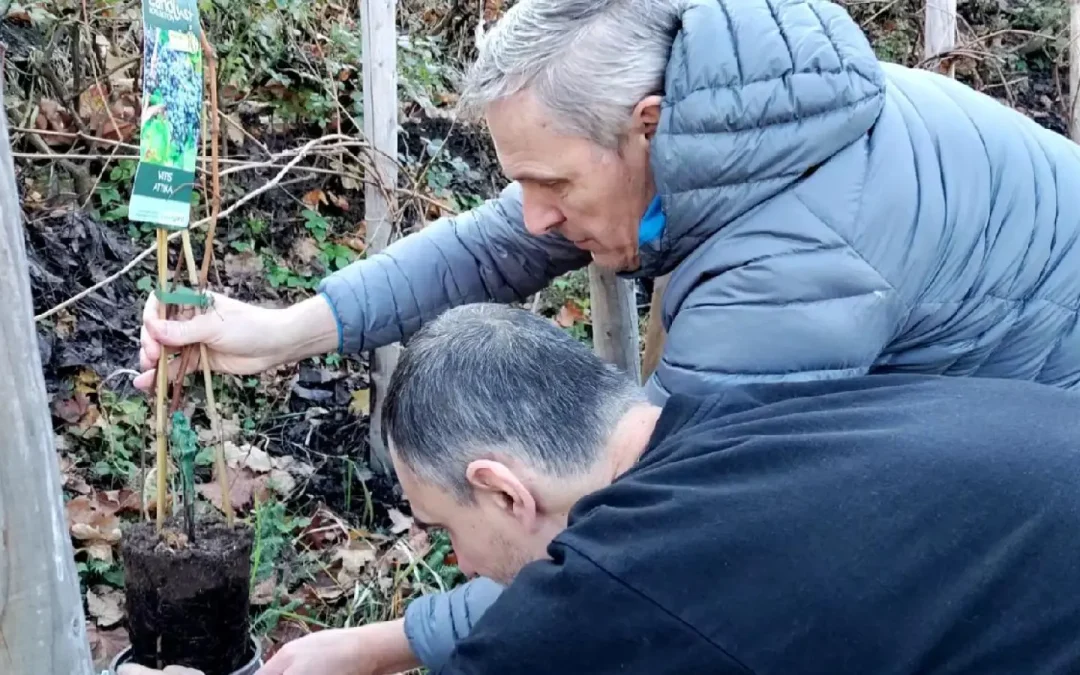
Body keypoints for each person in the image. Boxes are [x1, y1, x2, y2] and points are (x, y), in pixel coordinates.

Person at [134, 0, 1080, 669]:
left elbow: (661, 552)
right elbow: (497, 238)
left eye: (554, 185)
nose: (534, 216)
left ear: (646, 126)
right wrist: (280, 329)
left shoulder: (791, 267)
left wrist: (385, 645)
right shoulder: (745, 114)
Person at [134, 303, 1080, 675]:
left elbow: (586, 613)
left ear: (502, 490)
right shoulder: (743, 429)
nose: (456, 564)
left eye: (442, 525)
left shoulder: (632, 575)